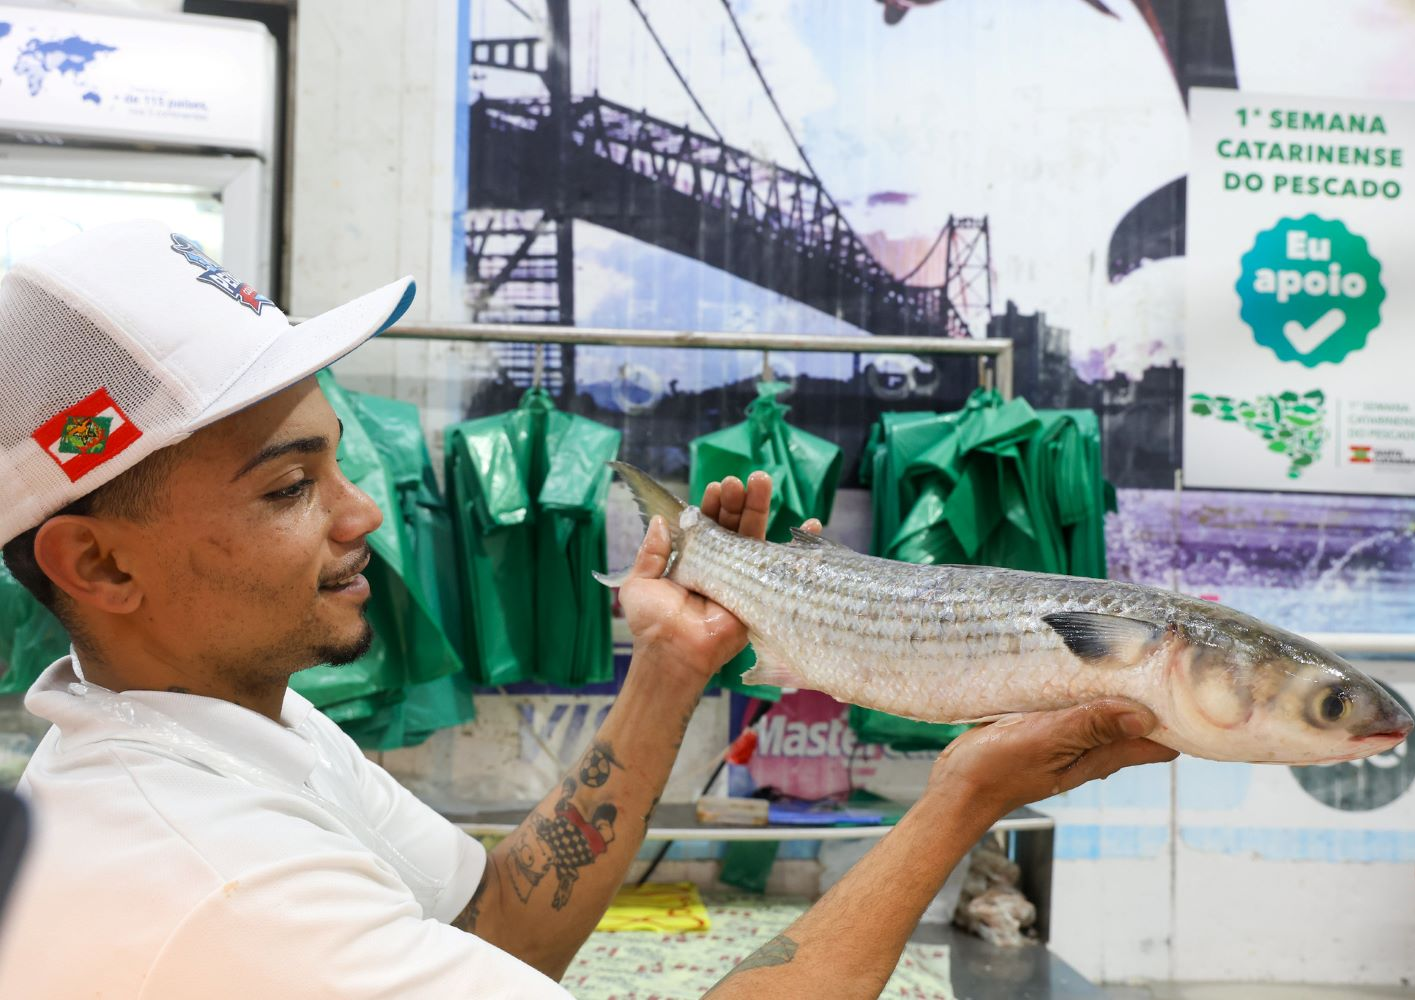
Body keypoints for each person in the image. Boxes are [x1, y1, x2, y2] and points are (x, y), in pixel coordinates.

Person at [0, 220, 1176, 998]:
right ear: (98, 566)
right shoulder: (214, 883)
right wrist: (960, 793)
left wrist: (671, 660)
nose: (363, 515)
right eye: (290, 487)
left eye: (339, 462)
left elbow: (501, 925)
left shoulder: (239, 733)